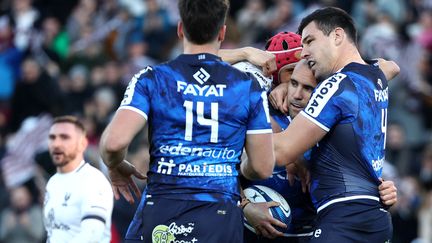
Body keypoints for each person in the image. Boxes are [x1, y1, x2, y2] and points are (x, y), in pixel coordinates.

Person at [99, 0, 275, 242]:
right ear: (222, 32)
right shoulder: (247, 87)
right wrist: (229, 171)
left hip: (162, 211)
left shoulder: (152, 78)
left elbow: (113, 144)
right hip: (219, 216)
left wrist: (116, 165)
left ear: (180, 28)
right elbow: (263, 166)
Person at [222, 31, 398, 243]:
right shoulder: (261, 111)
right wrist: (246, 206)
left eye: (307, 86)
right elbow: (223, 166)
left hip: (315, 233)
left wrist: (380, 190)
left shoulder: (333, 117)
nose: (296, 93)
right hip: (253, 234)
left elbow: (390, 67)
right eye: (292, 80)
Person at [272, 7, 393, 242]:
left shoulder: (337, 84)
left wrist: (246, 117)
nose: (304, 53)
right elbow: (393, 67)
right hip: (374, 217)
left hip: (344, 219)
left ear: (337, 36)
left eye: (309, 41)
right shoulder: (375, 77)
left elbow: (281, 150)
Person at [43, 115, 114, 243]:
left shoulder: (93, 181)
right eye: (52, 138)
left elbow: (92, 235)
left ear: (82, 144)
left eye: (65, 137)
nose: (56, 144)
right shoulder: (52, 183)